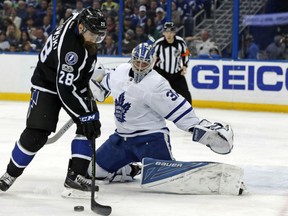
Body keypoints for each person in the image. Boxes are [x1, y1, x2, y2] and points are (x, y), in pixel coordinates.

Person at [87, 41, 234, 186]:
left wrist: (199, 128)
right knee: (93, 171)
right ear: (131, 60)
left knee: (166, 178)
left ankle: (204, 177)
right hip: (121, 139)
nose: (139, 67)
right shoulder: (121, 71)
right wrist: (94, 82)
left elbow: (179, 109)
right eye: (137, 62)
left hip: (150, 140)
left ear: (152, 63)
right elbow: (104, 81)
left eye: (144, 64)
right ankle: (129, 170)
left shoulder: (156, 84)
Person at [0, 7, 107, 193]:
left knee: (91, 125)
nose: (95, 39)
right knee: (36, 135)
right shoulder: (70, 51)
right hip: (47, 83)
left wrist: (87, 116)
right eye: (92, 34)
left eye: (99, 35)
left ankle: (76, 174)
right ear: (81, 28)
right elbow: (65, 89)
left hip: (72, 79)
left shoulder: (79, 21)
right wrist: (83, 115)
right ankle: (10, 174)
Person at [153, 22, 192, 104]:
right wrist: (152, 71)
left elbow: (186, 54)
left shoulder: (180, 42)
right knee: (155, 92)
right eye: (167, 32)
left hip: (176, 73)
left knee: (185, 94)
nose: (169, 34)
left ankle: (189, 112)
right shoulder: (158, 43)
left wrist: (184, 66)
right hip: (162, 73)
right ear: (163, 33)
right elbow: (153, 58)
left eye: (171, 32)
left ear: (174, 33)